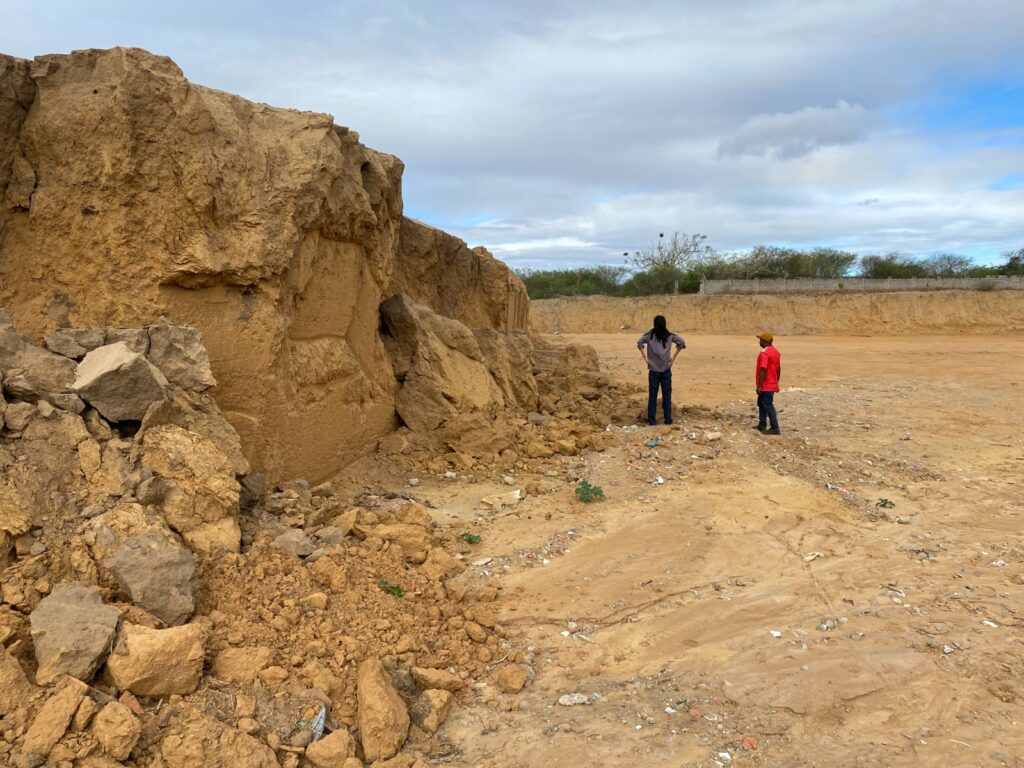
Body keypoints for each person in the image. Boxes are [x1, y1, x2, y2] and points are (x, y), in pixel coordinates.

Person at [637, 315, 686, 426]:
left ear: (654, 324)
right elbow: (681, 342)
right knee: (667, 395)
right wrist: (672, 359)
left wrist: (646, 359)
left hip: (653, 370)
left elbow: (639, 343)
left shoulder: (649, 336)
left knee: (652, 396)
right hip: (666, 370)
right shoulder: (669, 336)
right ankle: (668, 420)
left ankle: (652, 421)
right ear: (664, 324)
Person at [755, 331, 781, 435]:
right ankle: (762, 425)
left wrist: (759, 386)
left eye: (760, 340)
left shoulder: (764, 353)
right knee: (762, 403)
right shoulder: (776, 352)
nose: (759, 342)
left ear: (764, 341)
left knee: (767, 405)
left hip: (765, 385)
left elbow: (763, 369)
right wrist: (776, 383)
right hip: (772, 383)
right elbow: (779, 369)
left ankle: (775, 427)